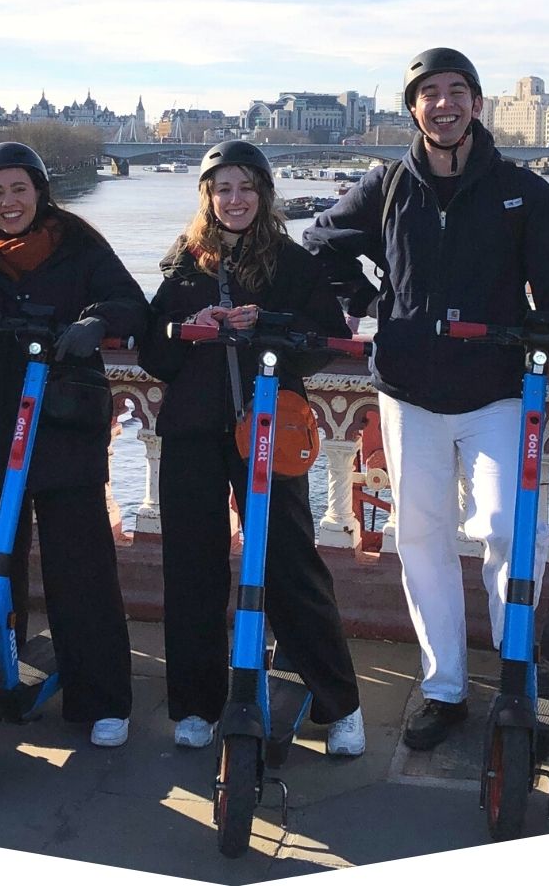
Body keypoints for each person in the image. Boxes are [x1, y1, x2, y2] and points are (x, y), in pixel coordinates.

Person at [304, 48, 549, 751]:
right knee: (421, 539)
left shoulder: (522, 192)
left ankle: (516, 666)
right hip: (409, 392)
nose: (444, 104)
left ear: (476, 102)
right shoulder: (386, 186)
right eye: (429, 93)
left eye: (457, 91)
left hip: (497, 388)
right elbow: (320, 244)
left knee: (505, 528)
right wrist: (376, 301)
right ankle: (443, 689)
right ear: (413, 108)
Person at [139, 140, 365, 755]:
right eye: (222, 189)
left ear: (264, 194)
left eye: (245, 188)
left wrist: (269, 329)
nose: (234, 200)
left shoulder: (293, 264)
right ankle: (195, 702)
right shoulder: (185, 262)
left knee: (289, 560)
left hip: (269, 430)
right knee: (193, 564)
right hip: (192, 430)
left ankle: (339, 702)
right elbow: (154, 353)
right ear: (207, 198)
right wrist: (187, 330)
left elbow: (325, 342)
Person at [0, 141, 145, 748]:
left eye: (19, 190)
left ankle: (102, 696)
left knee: (79, 567)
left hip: (63, 424)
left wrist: (97, 322)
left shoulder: (79, 243)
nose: (8, 203)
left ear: (39, 192)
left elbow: (132, 304)